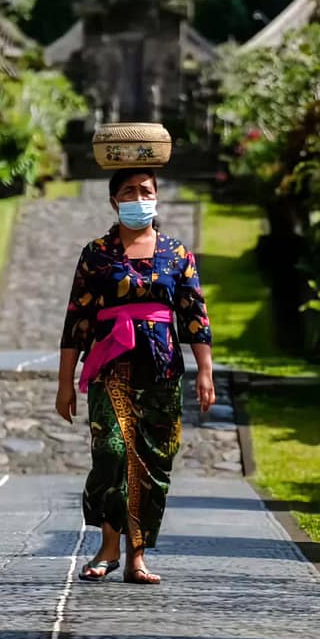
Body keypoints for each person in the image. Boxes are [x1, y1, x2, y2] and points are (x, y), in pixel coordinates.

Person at [56, 168, 215, 585]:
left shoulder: (177, 255)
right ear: (114, 201)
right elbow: (77, 321)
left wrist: (205, 373)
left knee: (150, 461)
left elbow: (194, 316)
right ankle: (108, 547)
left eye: (146, 190)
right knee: (111, 451)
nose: (138, 197)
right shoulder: (97, 254)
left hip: (161, 370)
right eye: (129, 191)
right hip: (111, 367)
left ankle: (136, 557)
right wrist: (63, 383)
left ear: (157, 198)